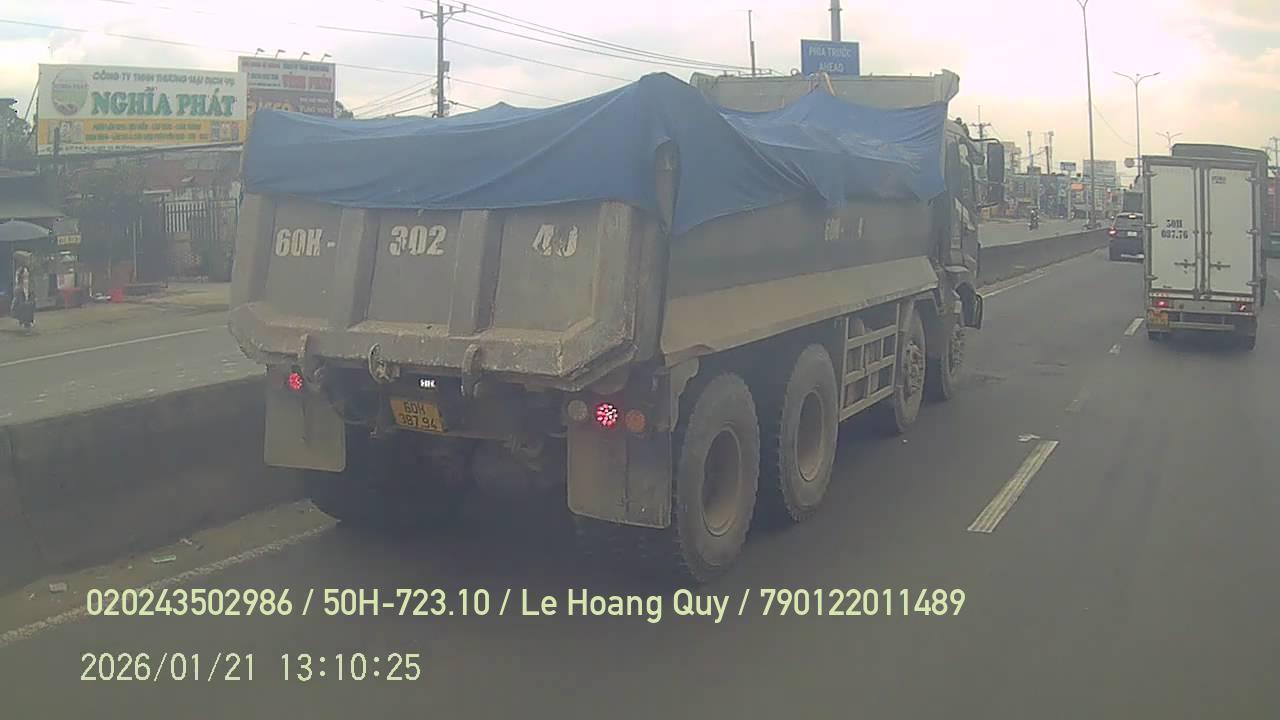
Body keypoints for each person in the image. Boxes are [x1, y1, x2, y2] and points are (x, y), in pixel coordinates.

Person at [11, 265, 34, 329]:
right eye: (24, 273)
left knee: (30, 304)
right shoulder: (18, 288)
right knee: (26, 305)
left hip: (25, 306)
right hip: (18, 308)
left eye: (27, 273)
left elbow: (31, 297)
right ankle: (24, 321)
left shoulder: (29, 286)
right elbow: (18, 302)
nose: (26, 274)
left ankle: (28, 321)